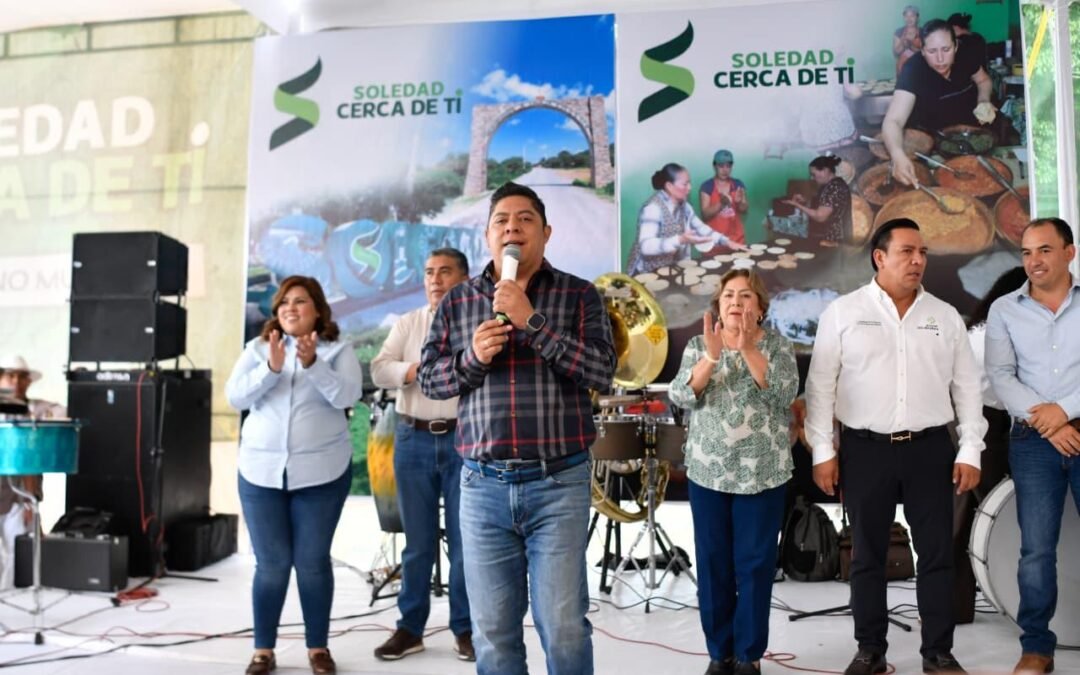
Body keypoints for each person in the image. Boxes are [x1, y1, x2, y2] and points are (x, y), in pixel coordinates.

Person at [418, 181, 616, 675]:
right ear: (487, 235)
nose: (512, 227)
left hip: (559, 482)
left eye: (525, 219)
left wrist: (534, 324)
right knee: (492, 632)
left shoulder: (579, 295)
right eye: (501, 220)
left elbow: (600, 372)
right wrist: (473, 358)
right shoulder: (459, 302)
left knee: (564, 624)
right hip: (481, 487)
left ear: (546, 232)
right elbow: (430, 379)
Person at [804, 219, 985, 675]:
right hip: (865, 450)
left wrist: (970, 450)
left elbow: (967, 389)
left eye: (922, 251)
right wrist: (823, 451)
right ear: (879, 257)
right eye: (906, 251)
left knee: (938, 554)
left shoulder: (943, 316)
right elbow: (820, 388)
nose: (918, 260)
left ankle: (938, 653)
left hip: (930, 450)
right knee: (866, 555)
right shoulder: (843, 313)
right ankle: (870, 652)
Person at [225, 276, 363, 675]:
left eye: (300, 301)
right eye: (284, 302)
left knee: (312, 561)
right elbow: (235, 397)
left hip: (321, 474)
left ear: (317, 310)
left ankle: (317, 648)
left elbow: (347, 397)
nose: (290, 308)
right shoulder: (257, 349)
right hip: (260, 473)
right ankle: (263, 651)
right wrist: (271, 368)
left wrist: (313, 366)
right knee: (271, 564)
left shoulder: (338, 351)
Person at [669, 270, 798, 675]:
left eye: (745, 296)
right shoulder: (698, 345)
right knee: (713, 564)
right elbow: (680, 395)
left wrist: (746, 350)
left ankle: (748, 655)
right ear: (718, 304)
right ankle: (719, 653)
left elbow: (782, 396)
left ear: (759, 308)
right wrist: (711, 357)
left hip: (763, 473)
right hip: (709, 473)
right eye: (729, 295)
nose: (736, 302)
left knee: (756, 565)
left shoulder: (778, 346)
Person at [369, 248, 474, 662]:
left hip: (464, 441)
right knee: (417, 543)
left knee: (466, 544)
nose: (435, 279)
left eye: (445, 272)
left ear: (464, 279)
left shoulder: (478, 323)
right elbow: (380, 369)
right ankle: (410, 628)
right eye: (429, 272)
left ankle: (465, 629)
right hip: (412, 440)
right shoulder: (408, 323)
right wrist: (415, 371)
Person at [985, 218, 1080, 675]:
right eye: (1025, 252)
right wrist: (1049, 421)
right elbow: (1001, 376)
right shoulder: (1005, 309)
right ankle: (1037, 647)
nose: (1033, 261)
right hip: (1033, 438)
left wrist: (1063, 410)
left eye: (1044, 250)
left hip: (1071, 424)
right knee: (1036, 549)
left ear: (1069, 253)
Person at [952, 266, 1027, 624]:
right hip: (982, 423)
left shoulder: (978, 329)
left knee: (965, 514)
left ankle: (956, 606)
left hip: (970, 421)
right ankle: (961, 603)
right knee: (983, 514)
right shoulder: (994, 336)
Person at [883, 19, 996, 187]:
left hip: (968, 135)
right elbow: (894, 121)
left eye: (946, 49)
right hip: (932, 142)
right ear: (922, 50)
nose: (940, 59)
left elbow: (983, 81)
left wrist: (984, 101)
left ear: (956, 46)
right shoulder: (913, 70)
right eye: (932, 51)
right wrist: (897, 154)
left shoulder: (966, 54)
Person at [0, 355, 66, 590]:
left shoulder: (35, 409)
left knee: (21, 552)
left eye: (21, 377)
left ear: (28, 382)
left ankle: (14, 600)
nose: (15, 382)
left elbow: (61, 413)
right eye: (10, 376)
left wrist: (31, 499)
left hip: (20, 495)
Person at [627, 163, 744, 275]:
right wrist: (680, 240)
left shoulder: (685, 207)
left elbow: (701, 229)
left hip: (668, 269)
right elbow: (646, 246)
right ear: (669, 186)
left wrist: (727, 242)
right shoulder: (653, 208)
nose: (690, 188)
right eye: (685, 184)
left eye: (690, 183)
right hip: (646, 273)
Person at [783, 155, 852, 248]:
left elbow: (820, 216)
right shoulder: (834, 184)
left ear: (825, 170)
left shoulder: (834, 187)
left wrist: (796, 205)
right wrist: (805, 200)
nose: (812, 178)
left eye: (813, 174)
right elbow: (827, 204)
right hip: (834, 238)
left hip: (833, 240)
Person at [699, 150, 748, 250]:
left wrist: (739, 203)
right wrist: (721, 204)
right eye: (721, 166)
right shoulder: (707, 186)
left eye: (728, 166)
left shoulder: (738, 184)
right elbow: (705, 215)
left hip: (736, 240)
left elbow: (744, 210)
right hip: (714, 242)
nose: (725, 170)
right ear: (714, 166)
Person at [893, 5, 922, 76]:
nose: (909, 19)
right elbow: (896, 52)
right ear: (904, 17)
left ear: (917, 17)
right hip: (902, 67)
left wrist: (911, 44)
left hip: (919, 67)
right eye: (906, 16)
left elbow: (925, 53)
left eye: (912, 16)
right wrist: (902, 40)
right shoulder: (899, 32)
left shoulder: (922, 31)